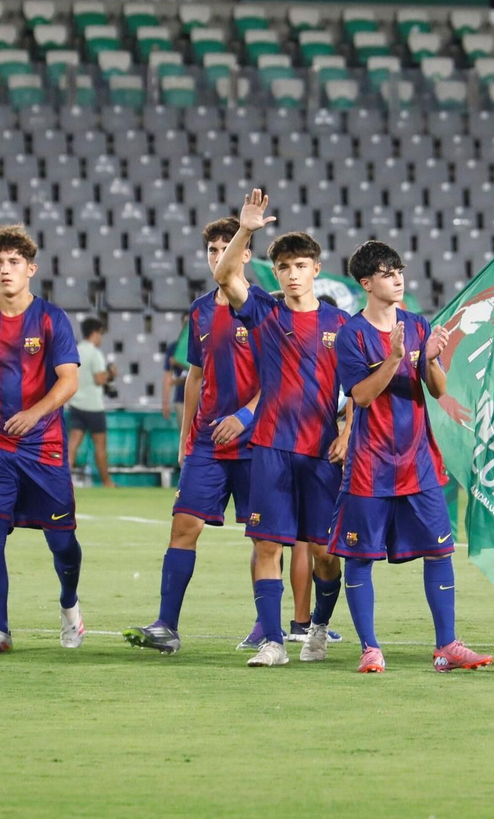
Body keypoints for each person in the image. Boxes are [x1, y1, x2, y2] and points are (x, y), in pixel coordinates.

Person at [332, 238, 492, 675]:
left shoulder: (418, 323)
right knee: (360, 556)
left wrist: (432, 359)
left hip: (417, 462)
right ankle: (370, 648)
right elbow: (361, 396)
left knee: (440, 552)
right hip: (368, 463)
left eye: (399, 270)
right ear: (366, 283)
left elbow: (438, 389)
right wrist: (395, 358)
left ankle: (447, 648)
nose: (397, 278)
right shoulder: (352, 334)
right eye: (386, 273)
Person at [211, 190, 350, 667]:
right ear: (276, 273)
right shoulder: (264, 312)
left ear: (316, 269)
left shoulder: (340, 324)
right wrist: (246, 230)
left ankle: (319, 627)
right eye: (284, 267)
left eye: (300, 266)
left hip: (319, 453)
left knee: (325, 555)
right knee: (267, 545)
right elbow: (225, 275)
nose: (292, 275)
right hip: (269, 448)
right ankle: (272, 641)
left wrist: (347, 432)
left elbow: (358, 390)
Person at [122, 217, 262, 656]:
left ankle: (267, 626)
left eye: (228, 248)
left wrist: (245, 414)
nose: (218, 256)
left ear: (247, 253)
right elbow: (195, 376)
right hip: (208, 442)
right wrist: (187, 434)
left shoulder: (265, 307)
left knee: (265, 538)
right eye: (212, 250)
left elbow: (280, 375)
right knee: (184, 525)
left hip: (257, 440)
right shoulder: (200, 309)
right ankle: (166, 626)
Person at [0, 225, 85, 654]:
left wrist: (35, 413)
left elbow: (70, 380)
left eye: (14, 263)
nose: (5, 270)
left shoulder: (49, 318)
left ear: (31, 269)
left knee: (62, 543)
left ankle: (69, 605)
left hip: (45, 448)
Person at [67, 316, 116, 488]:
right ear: (95, 333)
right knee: (100, 446)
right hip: (93, 407)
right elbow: (99, 379)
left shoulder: (76, 350)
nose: (101, 338)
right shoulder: (95, 353)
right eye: (100, 334)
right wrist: (111, 374)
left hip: (76, 404)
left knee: (73, 444)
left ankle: (63, 481)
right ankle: (107, 482)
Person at [159, 342, 186, 422]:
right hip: (181, 401)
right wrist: (165, 402)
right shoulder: (174, 347)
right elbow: (168, 376)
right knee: (185, 433)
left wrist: (178, 363)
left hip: (204, 402)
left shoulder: (205, 345)